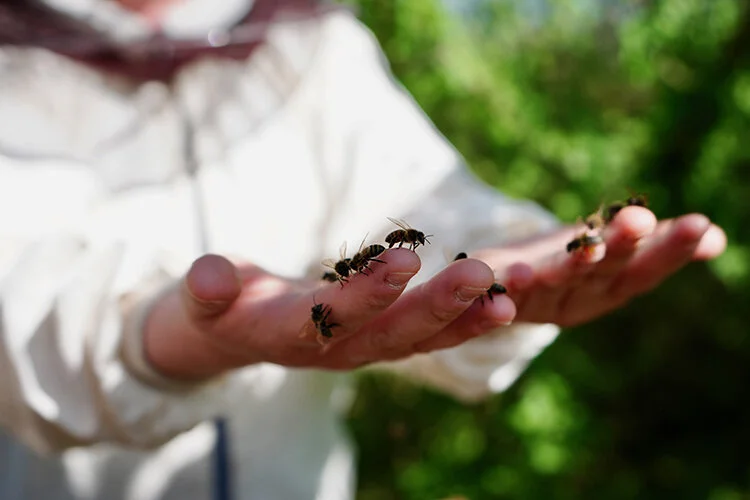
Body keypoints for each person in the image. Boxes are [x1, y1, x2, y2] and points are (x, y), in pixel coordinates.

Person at [0, 0, 726, 499]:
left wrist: (514, 254)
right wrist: (164, 338)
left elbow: (427, 201)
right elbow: (20, 297)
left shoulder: (314, 50)